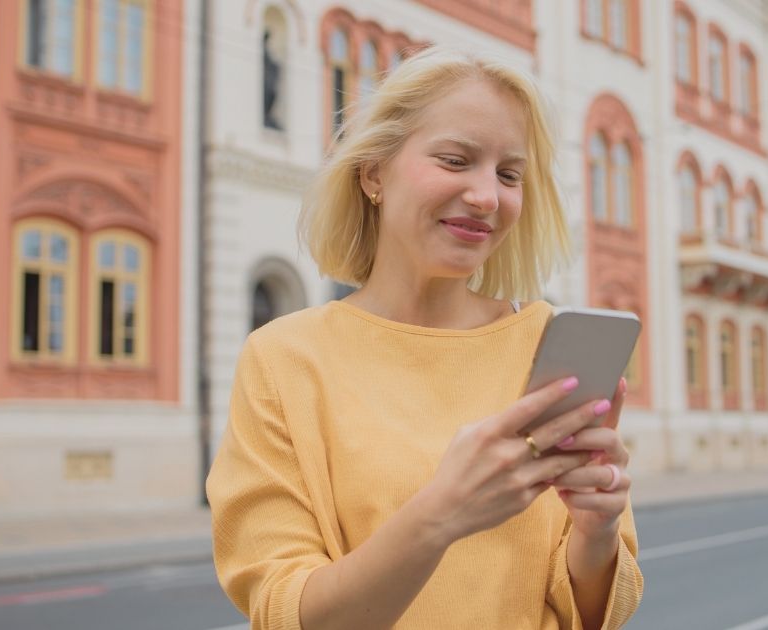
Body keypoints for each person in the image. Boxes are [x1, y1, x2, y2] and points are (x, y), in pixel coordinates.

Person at [206, 47, 643, 629]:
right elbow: (288, 614)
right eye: (456, 160)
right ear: (373, 173)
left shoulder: (545, 342)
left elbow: (598, 614)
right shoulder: (284, 358)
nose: (488, 197)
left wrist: (597, 532)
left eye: (509, 174)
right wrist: (443, 513)